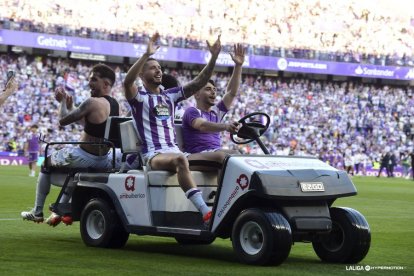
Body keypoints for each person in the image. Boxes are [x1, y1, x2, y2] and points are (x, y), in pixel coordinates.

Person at [123, 33, 221, 224]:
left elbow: (199, 82)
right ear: (142, 75)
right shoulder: (139, 98)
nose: (158, 71)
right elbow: (127, 83)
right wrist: (145, 55)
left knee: (223, 158)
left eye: (159, 68)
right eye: (152, 68)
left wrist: (214, 57)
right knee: (180, 159)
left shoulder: (170, 96)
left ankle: (226, 205)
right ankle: (205, 212)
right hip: (154, 155)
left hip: (176, 152)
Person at [21, 64, 120, 226]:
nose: (89, 83)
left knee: (46, 163)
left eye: (94, 79)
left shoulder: (92, 102)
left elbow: (63, 121)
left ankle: (37, 212)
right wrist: (71, 106)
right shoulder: (115, 105)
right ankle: (59, 211)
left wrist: (61, 103)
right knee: (72, 175)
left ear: (106, 84)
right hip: (104, 158)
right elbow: (87, 122)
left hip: (85, 156)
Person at [182, 43, 245, 165]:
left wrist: (238, 66)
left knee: (238, 155)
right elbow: (202, 126)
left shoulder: (216, 113)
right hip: (195, 156)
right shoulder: (192, 111)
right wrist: (225, 126)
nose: (213, 92)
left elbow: (231, 93)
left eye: (214, 89)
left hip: (214, 153)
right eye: (208, 89)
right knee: (223, 157)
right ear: (196, 95)